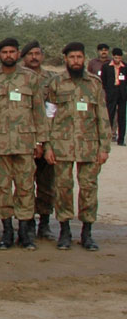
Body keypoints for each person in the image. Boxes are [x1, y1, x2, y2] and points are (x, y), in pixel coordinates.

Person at [44, 42, 111, 250]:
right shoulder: (56, 83)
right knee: (63, 189)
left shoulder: (94, 83)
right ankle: (64, 231)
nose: (76, 61)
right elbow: (49, 116)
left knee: (89, 188)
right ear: (65, 59)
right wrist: (47, 145)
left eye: (79, 57)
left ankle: (87, 233)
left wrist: (104, 147)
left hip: (89, 146)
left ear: (84, 59)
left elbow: (102, 116)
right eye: (72, 57)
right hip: (62, 146)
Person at [0, 37, 46, 250]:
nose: (8, 55)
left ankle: (26, 232)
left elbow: (39, 111)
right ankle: (7, 231)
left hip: (25, 143)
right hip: (0, 144)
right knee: (2, 189)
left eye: (12, 52)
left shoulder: (30, 79)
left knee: (26, 188)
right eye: (4, 52)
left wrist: (40, 140)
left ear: (18, 54)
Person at [21, 40, 57, 239]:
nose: (34, 57)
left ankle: (44, 221)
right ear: (23, 57)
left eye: (37, 53)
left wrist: (46, 141)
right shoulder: (17, 78)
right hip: (23, 139)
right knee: (24, 183)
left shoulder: (52, 79)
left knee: (46, 183)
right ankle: (26, 222)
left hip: (47, 137)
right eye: (30, 54)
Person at [99, 47, 126, 145]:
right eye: (116, 58)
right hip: (111, 93)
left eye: (119, 58)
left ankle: (121, 139)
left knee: (122, 117)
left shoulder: (125, 67)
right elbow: (103, 80)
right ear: (113, 57)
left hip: (122, 94)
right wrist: (108, 90)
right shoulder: (106, 66)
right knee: (109, 115)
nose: (117, 60)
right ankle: (107, 138)